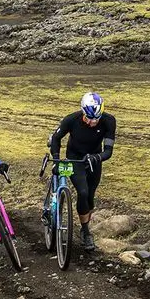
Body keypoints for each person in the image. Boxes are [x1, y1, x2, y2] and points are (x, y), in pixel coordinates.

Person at [48, 92, 116, 251]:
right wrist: (57, 159)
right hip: (74, 158)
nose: (93, 122)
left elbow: (108, 151)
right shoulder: (71, 119)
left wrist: (96, 157)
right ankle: (86, 232)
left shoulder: (109, 121)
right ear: (83, 112)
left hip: (93, 158)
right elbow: (56, 138)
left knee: (90, 197)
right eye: (89, 118)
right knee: (83, 192)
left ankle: (84, 225)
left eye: (96, 119)